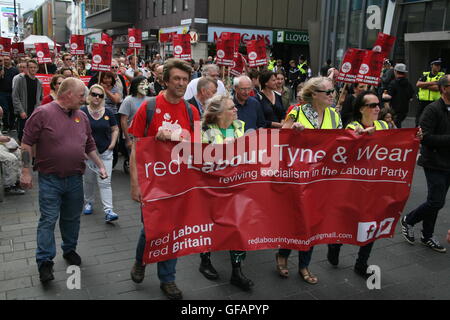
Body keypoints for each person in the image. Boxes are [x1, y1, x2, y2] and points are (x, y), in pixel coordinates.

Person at [20, 78, 108, 283]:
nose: (85, 99)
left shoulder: (81, 116)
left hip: (75, 178)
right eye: (81, 95)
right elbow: (26, 143)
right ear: (67, 94)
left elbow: (89, 144)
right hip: (50, 178)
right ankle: (44, 262)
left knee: (71, 219)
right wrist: (25, 171)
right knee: (48, 220)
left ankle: (69, 250)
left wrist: (100, 165)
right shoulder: (43, 113)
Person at [128, 58, 200, 300]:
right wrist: (135, 184)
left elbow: (199, 146)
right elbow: (136, 149)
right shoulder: (148, 108)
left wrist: (176, 134)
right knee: (151, 229)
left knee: (174, 231)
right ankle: (141, 260)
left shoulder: (191, 111)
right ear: (165, 80)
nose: (181, 83)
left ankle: (167, 279)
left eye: (184, 79)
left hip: (180, 182)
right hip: (153, 182)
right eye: (176, 79)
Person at [278, 76, 342, 284]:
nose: (333, 95)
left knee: (312, 222)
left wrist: (357, 133)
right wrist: (293, 130)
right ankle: (283, 254)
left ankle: (304, 264)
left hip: (321, 178)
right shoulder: (296, 111)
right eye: (328, 92)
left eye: (333, 91)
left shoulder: (334, 115)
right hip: (297, 177)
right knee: (294, 218)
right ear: (314, 94)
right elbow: (282, 135)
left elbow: (342, 141)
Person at [327, 91, 389, 278]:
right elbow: (346, 146)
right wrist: (362, 135)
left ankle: (361, 263)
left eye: (379, 104)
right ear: (362, 109)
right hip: (353, 186)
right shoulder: (353, 126)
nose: (378, 108)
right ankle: (335, 244)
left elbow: (396, 144)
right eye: (372, 105)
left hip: (376, 184)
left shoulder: (384, 125)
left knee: (372, 224)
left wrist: (415, 136)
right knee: (349, 221)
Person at [198, 94, 253, 291]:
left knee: (237, 228)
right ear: (219, 113)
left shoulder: (240, 127)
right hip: (211, 189)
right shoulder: (203, 131)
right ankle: (205, 261)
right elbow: (197, 161)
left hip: (236, 188)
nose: (236, 110)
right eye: (231, 108)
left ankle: (237, 271)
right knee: (209, 226)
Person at [401, 74, 450, 254]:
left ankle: (427, 235)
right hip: (433, 162)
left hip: (447, 163)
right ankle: (409, 220)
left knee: (436, 201)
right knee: (436, 201)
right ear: (444, 88)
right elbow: (426, 137)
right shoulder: (432, 109)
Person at [81, 85, 119, 222]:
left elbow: (115, 129)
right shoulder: (82, 111)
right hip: (89, 154)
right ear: (89, 95)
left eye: (100, 95)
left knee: (105, 181)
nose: (97, 97)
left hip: (105, 152)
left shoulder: (108, 111)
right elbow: (77, 131)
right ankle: (89, 202)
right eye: (94, 94)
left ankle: (109, 210)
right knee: (89, 180)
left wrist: (113, 143)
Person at [118, 76, 149, 171]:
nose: (145, 86)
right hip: (132, 136)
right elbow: (123, 120)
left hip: (145, 137)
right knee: (135, 161)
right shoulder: (128, 100)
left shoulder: (150, 100)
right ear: (135, 86)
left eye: (147, 84)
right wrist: (127, 139)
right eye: (142, 84)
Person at [12, 60, 43, 142]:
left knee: (33, 133)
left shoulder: (39, 82)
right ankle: (21, 151)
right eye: (31, 67)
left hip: (34, 111)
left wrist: (38, 109)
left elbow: (40, 98)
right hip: (23, 111)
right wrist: (21, 111)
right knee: (22, 134)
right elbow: (15, 96)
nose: (33, 69)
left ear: (37, 69)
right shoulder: (20, 79)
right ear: (27, 68)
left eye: (35, 67)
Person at [383, 64, 415, 128]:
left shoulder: (393, 83)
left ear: (395, 71)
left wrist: (383, 95)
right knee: (398, 124)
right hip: (404, 110)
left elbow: (388, 97)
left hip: (394, 110)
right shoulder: (408, 84)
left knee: (395, 126)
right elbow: (411, 98)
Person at [416, 59, 445, 127]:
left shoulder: (442, 76)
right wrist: (432, 83)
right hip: (423, 101)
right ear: (431, 66)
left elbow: (438, 88)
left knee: (433, 118)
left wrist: (424, 86)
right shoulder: (425, 75)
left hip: (435, 101)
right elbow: (418, 84)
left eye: (439, 65)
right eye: (436, 65)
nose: (438, 67)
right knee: (419, 118)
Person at [0, 56, 19, 133]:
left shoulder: (15, 70)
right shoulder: (1, 69)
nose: (6, 61)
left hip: (12, 92)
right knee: (5, 109)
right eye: (4, 60)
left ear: (10, 60)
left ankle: (12, 125)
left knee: (12, 109)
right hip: (2, 92)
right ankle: (5, 126)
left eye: (7, 59)